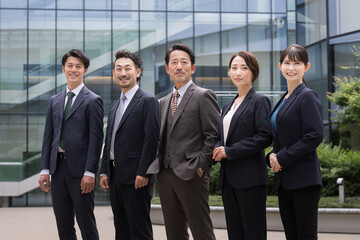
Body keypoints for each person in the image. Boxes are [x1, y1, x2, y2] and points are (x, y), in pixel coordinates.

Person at [147, 43, 220, 240]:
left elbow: (212, 135)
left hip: (192, 175)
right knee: (174, 232)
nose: (179, 66)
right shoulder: (163, 102)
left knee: (201, 230)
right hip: (165, 175)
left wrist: (201, 167)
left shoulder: (204, 96)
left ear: (192, 68)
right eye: (174, 62)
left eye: (184, 62)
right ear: (167, 69)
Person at [38, 49, 104, 240]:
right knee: (63, 224)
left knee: (86, 223)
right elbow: (48, 136)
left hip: (81, 172)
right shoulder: (54, 101)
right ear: (63, 69)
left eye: (78, 66)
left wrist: (90, 172)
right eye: (70, 66)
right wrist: (44, 169)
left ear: (85, 70)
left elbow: (96, 139)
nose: (73, 70)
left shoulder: (93, 100)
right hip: (57, 169)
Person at [99, 50, 159, 240]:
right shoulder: (115, 105)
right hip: (116, 176)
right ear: (113, 73)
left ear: (138, 72)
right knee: (121, 230)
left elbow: (152, 140)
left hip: (136, 177)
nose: (123, 73)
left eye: (128, 68)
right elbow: (109, 140)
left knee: (139, 231)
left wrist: (144, 172)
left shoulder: (148, 101)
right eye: (119, 69)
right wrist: (104, 171)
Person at [212, 51, 272, 240]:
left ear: (253, 72)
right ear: (229, 72)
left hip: (250, 179)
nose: (238, 72)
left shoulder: (260, 101)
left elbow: (264, 136)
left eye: (244, 68)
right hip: (228, 179)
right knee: (235, 233)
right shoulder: (228, 105)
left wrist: (229, 151)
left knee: (253, 233)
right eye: (234, 68)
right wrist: (217, 147)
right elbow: (221, 136)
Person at [268, 44, 323, 240]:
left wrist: (282, 157)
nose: (291, 68)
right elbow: (280, 136)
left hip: (304, 181)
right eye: (287, 63)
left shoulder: (307, 96)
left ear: (306, 67)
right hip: (285, 181)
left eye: (297, 63)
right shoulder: (284, 98)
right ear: (280, 66)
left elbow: (314, 135)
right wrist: (271, 156)